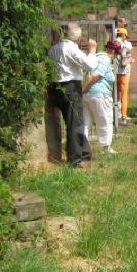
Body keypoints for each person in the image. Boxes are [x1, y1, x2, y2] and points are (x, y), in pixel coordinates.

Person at [47, 23, 98, 167]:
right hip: (70, 86)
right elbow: (90, 65)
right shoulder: (71, 49)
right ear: (79, 38)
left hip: (55, 87)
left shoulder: (54, 49)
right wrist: (92, 50)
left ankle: (84, 153)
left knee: (75, 122)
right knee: (75, 123)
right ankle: (75, 160)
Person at [82, 39, 119, 155]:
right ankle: (106, 148)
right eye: (118, 53)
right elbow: (95, 76)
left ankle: (82, 147)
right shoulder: (105, 59)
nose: (117, 56)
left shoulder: (96, 57)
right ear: (113, 52)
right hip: (100, 96)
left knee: (85, 122)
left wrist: (83, 91)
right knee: (105, 121)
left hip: (87, 96)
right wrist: (83, 89)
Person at [114, 27, 133, 125]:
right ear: (123, 35)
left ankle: (116, 114)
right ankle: (123, 116)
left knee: (116, 94)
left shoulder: (113, 43)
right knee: (124, 95)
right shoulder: (122, 45)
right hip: (123, 73)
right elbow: (124, 62)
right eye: (126, 36)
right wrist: (131, 60)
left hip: (115, 72)